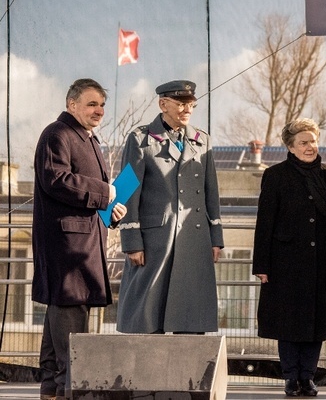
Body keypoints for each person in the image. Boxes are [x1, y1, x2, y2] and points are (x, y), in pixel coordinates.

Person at [32, 78, 127, 400]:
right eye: (91, 104)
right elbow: (55, 179)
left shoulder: (87, 138)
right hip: (66, 244)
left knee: (64, 309)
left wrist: (109, 208)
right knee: (70, 310)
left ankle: (54, 389)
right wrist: (106, 193)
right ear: (72, 104)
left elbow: (82, 193)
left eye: (101, 105)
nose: (99, 110)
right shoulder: (57, 134)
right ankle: (67, 389)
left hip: (81, 239)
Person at [253, 118, 326, 397]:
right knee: (288, 323)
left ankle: (308, 377)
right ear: (291, 146)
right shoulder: (275, 175)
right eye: (304, 142)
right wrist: (261, 265)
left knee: (317, 323)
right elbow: (265, 222)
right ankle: (290, 377)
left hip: (324, 260)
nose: (310, 147)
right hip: (286, 262)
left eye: (313, 141)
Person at [117, 80, 223, 334]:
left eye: (192, 105)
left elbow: (211, 192)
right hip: (155, 241)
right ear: (163, 104)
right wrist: (131, 241)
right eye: (181, 104)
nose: (187, 110)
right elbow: (124, 191)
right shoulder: (140, 138)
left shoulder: (202, 140)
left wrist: (215, 239)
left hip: (194, 238)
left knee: (191, 318)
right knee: (147, 317)